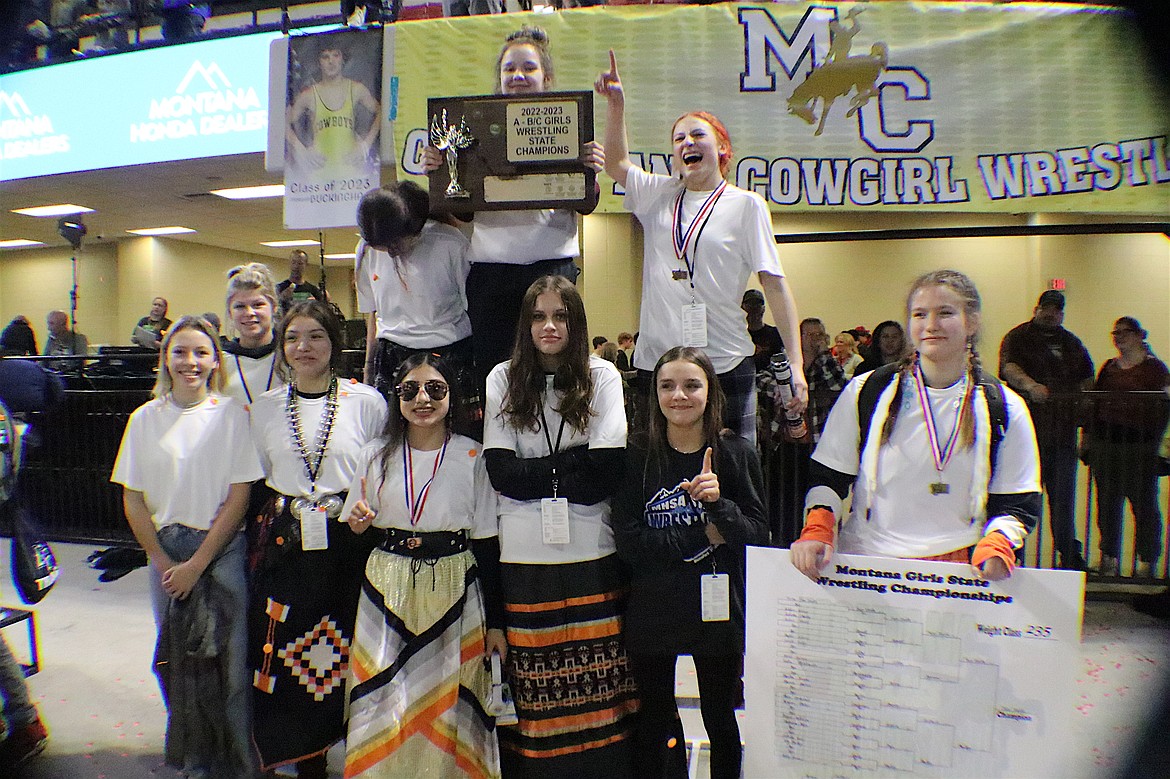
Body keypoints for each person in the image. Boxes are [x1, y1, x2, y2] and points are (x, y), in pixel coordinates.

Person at [596, 50, 807, 444]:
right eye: (679, 139)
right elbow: (615, 164)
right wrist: (616, 105)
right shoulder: (658, 194)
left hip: (725, 363)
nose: (687, 143)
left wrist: (795, 361)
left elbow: (774, 284)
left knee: (733, 480)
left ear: (722, 149)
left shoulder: (746, 206)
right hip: (659, 364)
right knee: (661, 478)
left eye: (698, 136)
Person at [791, 270, 1041, 584]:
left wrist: (998, 544)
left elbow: (1018, 503)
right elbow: (828, 478)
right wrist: (818, 527)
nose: (931, 325)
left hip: (958, 576)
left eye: (945, 313)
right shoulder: (867, 391)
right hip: (868, 566)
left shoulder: (1004, 407)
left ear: (972, 322)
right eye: (920, 314)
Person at [483, 275, 638, 776]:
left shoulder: (604, 375)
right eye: (538, 316)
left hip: (593, 552)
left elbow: (606, 475)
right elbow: (502, 475)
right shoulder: (502, 378)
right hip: (524, 558)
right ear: (525, 323)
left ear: (576, 322)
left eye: (561, 316)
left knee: (601, 691)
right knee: (537, 701)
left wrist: (546, 474)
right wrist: (575, 462)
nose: (549, 327)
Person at [110, 315, 261, 778]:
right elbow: (132, 499)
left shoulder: (231, 414)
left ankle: (239, 764)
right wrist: (163, 562)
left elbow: (240, 495)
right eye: (181, 351)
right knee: (179, 665)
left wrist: (199, 562)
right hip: (167, 554)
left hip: (220, 550)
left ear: (215, 360)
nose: (190, 361)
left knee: (233, 669)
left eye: (201, 352)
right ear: (165, 359)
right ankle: (197, 761)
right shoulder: (144, 419)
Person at [341, 353, 504, 777]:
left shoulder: (474, 455)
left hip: (454, 579)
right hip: (387, 582)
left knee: (452, 698)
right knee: (382, 696)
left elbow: (487, 544)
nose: (422, 400)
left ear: (453, 394)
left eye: (435, 389)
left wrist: (498, 623)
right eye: (409, 390)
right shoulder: (376, 454)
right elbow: (356, 524)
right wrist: (357, 524)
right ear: (396, 398)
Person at [422, 25, 605, 393]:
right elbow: (463, 214)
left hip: (552, 266)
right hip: (491, 273)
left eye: (528, 68)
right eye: (509, 69)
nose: (518, 76)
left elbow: (585, 202)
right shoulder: (470, 127)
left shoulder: (569, 124)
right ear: (499, 78)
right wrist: (442, 169)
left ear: (547, 77)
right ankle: (501, 450)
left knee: (557, 371)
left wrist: (589, 169)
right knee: (496, 375)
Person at [246, 300, 387, 776]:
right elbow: (261, 479)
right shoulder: (264, 409)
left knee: (345, 647)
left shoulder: (365, 401)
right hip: (287, 551)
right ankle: (306, 759)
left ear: (335, 342)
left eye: (315, 336)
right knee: (288, 651)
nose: (303, 347)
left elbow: (380, 470)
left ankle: (350, 747)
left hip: (349, 545)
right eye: (292, 338)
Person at [613, 346, 767, 779]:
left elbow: (757, 535)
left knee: (721, 720)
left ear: (710, 392)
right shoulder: (636, 454)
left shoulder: (735, 453)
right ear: (654, 394)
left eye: (691, 385)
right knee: (656, 722)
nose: (679, 395)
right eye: (667, 385)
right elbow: (629, 543)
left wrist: (721, 506)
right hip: (654, 608)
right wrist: (703, 534)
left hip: (717, 611)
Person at [354, 182, 474, 421]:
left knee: (455, 431)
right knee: (392, 435)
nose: (390, 253)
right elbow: (373, 315)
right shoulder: (366, 251)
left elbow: (474, 309)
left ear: (415, 228)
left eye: (395, 244)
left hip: (448, 348)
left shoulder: (450, 243)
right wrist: (368, 370)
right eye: (382, 248)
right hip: (392, 351)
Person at [999, 290, 1094, 570]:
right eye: (1047, 308)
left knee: (1063, 502)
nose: (1051, 314)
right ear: (1037, 308)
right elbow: (1009, 367)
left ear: (1061, 313)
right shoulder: (1018, 337)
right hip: (1026, 435)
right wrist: (1031, 386)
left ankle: (1069, 555)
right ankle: (1011, 554)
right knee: (1021, 499)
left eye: (1057, 310)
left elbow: (1087, 377)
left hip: (1062, 434)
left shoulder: (1071, 342)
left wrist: (1081, 407)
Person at [1084, 317, 1169, 577]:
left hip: (1140, 447)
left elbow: (1164, 407)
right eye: (1115, 333)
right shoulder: (1109, 368)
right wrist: (1087, 439)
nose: (1118, 337)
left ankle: (1147, 561)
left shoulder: (1155, 370)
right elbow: (1094, 407)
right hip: (1106, 445)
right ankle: (1109, 557)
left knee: (1144, 506)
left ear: (1139, 335)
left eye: (1124, 332)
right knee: (1107, 505)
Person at [767, 318, 845, 546]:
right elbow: (762, 381)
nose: (816, 339)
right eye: (811, 335)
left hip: (816, 448)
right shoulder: (784, 361)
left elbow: (839, 385)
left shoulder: (826, 363)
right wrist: (782, 392)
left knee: (814, 502)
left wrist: (823, 356)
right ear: (799, 338)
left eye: (820, 335)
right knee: (782, 507)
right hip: (784, 449)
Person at [285, 39, 380, 173]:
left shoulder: (356, 89)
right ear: (319, 62)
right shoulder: (309, 95)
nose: (331, 61)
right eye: (325, 57)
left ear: (342, 59)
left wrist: (365, 144)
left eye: (336, 55)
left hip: (351, 174)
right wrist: (302, 151)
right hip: (319, 174)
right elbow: (283, 123)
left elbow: (381, 111)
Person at [222, 263, 286, 409]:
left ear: (274, 306)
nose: (249, 313)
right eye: (240, 306)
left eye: (258, 305)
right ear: (230, 312)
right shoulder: (219, 363)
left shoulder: (292, 356)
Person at [741, 288, 784, 373]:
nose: (753, 310)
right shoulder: (738, 336)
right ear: (742, 308)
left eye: (757, 305)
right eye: (749, 306)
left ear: (763, 309)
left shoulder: (776, 334)